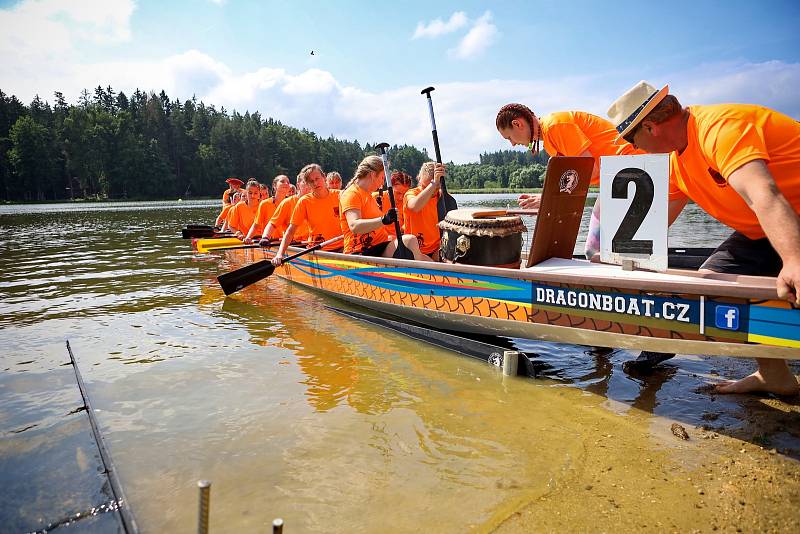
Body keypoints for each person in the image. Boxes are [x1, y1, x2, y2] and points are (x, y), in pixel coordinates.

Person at [607, 80, 800, 395]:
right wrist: (621, 265)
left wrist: (793, 259)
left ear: (651, 127)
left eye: (632, 139)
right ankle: (774, 374)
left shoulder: (718, 128)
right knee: (711, 284)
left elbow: (763, 193)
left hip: (784, 217)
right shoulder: (676, 160)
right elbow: (652, 224)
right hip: (763, 229)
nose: (635, 149)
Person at [495, 103, 643, 258]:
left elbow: (589, 172)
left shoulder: (554, 127)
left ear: (517, 124)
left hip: (629, 172)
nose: (512, 144)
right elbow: (573, 182)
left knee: (595, 251)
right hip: (619, 176)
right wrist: (547, 201)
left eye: (509, 137)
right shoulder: (550, 138)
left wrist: (549, 199)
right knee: (596, 251)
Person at [339, 155, 432, 261]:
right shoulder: (352, 194)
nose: (382, 183)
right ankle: (417, 276)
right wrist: (384, 220)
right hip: (361, 251)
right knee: (410, 241)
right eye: (382, 177)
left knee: (423, 255)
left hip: (380, 246)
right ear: (373, 175)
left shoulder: (368, 195)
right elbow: (354, 226)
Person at [272, 165, 343, 265]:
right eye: (311, 181)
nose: (315, 183)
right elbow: (291, 230)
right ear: (308, 184)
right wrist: (280, 254)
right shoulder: (304, 202)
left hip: (343, 248)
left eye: (317, 179)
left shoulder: (340, 195)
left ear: (324, 177)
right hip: (319, 250)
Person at [403, 162, 447, 261]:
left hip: (437, 249)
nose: (431, 191)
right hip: (415, 250)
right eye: (425, 186)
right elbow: (414, 207)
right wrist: (433, 184)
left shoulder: (443, 198)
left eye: (436, 188)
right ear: (419, 179)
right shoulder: (411, 193)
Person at [261, 175, 311, 243]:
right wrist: (265, 237)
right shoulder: (287, 202)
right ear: (298, 185)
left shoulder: (316, 201)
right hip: (295, 245)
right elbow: (272, 224)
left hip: (314, 244)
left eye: (311, 182)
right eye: (305, 182)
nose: (309, 185)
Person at [244, 175, 292, 244]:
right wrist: (248, 237)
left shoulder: (292, 203)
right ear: (275, 186)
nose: (286, 183)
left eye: (288, 182)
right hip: (269, 243)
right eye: (282, 181)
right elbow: (256, 225)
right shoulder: (264, 204)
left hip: (289, 243)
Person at [373, 171, 412, 239]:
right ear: (390, 188)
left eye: (405, 193)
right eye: (398, 193)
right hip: (378, 239)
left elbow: (408, 224)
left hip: (399, 239)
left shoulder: (409, 202)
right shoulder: (376, 198)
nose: (401, 197)